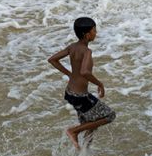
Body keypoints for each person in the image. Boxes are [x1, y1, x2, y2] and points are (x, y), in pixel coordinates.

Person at [47, 17, 116, 149]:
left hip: (70, 93)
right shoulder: (87, 51)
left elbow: (52, 59)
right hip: (80, 96)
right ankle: (73, 131)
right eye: (94, 30)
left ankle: (84, 154)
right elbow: (85, 72)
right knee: (110, 116)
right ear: (86, 34)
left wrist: (69, 74)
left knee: (90, 123)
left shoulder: (72, 47)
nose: (96, 33)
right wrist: (99, 83)